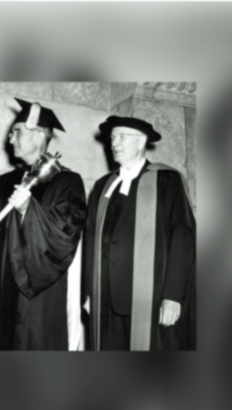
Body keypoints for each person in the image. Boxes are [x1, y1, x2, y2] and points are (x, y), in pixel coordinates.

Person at [0, 98, 87, 350]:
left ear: (39, 137)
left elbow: (64, 236)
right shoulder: (0, 182)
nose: (10, 139)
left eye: (16, 133)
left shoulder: (66, 182)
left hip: (36, 290)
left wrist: (29, 208)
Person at [82, 116, 196, 351]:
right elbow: (91, 238)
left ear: (142, 141)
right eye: (113, 137)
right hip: (106, 298)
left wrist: (172, 295)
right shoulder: (104, 185)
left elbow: (182, 237)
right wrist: (88, 292)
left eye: (122, 136)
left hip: (150, 299)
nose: (114, 142)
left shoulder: (166, 180)